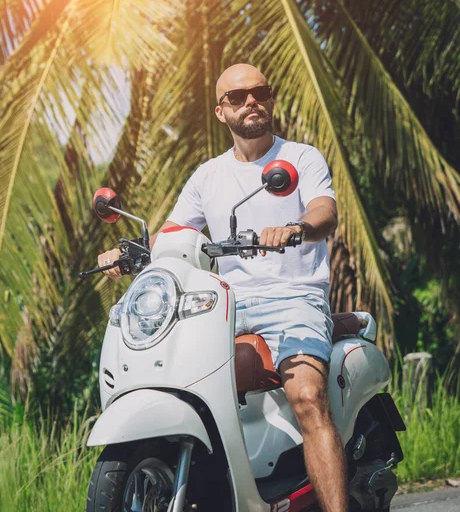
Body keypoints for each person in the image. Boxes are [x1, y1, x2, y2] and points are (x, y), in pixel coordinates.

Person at [97, 63, 346, 512]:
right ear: (220, 111)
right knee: (177, 378)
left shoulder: (300, 158)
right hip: (226, 305)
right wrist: (126, 252)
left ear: (270, 99)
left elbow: (324, 212)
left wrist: (295, 227)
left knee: (307, 398)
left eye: (259, 92)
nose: (251, 101)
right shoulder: (207, 176)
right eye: (237, 97)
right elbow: (172, 235)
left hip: (294, 297)